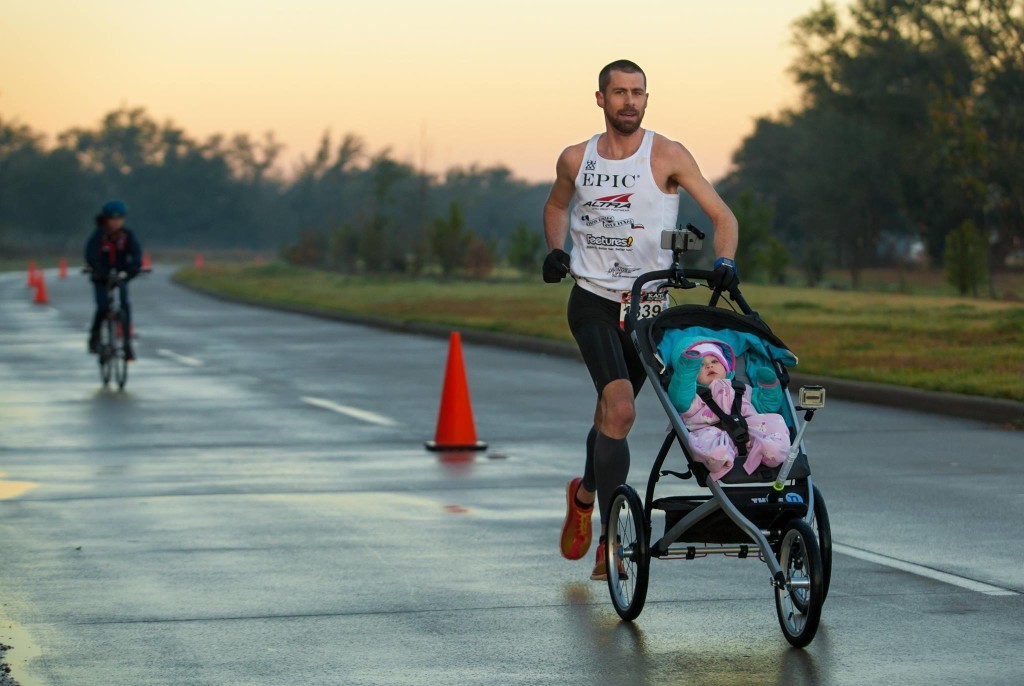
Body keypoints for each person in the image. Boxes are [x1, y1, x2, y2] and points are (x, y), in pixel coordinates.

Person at [543, 59, 741, 580]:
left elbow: (722, 216)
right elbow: (556, 206)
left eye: (638, 92)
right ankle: (610, 540)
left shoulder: (668, 155)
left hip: (648, 308)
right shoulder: (576, 158)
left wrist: (725, 261)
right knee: (621, 409)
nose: (629, 101)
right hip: (593, 299)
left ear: (646, 99)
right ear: (601, 98)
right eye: (620, 92)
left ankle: (584, 495)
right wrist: (556, 250)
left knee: (610, 416)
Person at [667, 340, 789, 481]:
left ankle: (771, 450)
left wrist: (769, 387)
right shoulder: (692, 396)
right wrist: (687, 370)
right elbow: (680, 396)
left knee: (775, 421)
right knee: (708, 446)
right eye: (700, 365)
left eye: (715, 361)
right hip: (715, 436)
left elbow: (765, 405)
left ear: (726, 367)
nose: (709, 365)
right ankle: (721, 459)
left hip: (749, 431)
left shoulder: (740, 388)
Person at [85, 200, 142, 360]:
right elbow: (90, 254)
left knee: (125, 305)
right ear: (106, 219)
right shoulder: (99, 236)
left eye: (120, 218)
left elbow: (136, 253)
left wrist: (133, 267)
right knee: (103, 307)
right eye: (113, 219)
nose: (116, 222)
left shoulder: (127, 235)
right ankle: (95, 336)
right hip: (101, 277)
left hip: (121, 275)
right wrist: (97, 268)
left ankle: (127, 343)